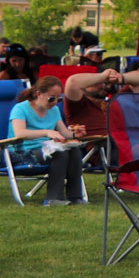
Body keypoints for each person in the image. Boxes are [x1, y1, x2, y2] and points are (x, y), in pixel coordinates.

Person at [6, 76, 87, 206]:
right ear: (39, 94)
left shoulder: (53, 110)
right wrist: (46, 132)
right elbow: (19, 133)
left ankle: (75, 197)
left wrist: (74, 133)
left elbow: (64, 132)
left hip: (46, 149)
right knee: (60, 154)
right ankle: (52, 199)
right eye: (51, 98)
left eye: (59, 99)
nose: (55, 102)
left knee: (75, 151)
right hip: (22, 152)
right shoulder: (20, 109)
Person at [62, 67, 139, 140]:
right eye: (95, 83)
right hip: (104, 149)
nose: (102, 85)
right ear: (84, 87)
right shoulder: (78, 106)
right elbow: (72, 83)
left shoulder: (115, 100)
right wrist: (103, 76)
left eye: (104, 83)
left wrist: (119, 77)